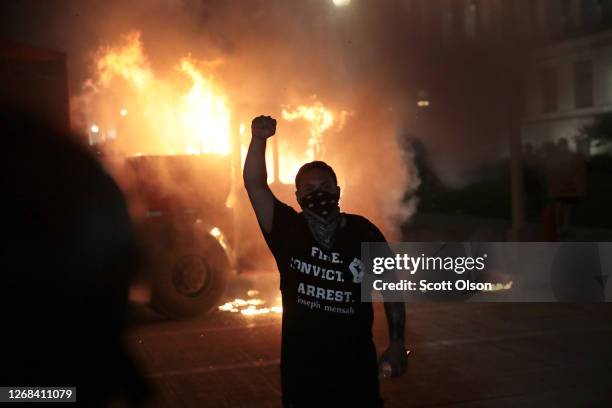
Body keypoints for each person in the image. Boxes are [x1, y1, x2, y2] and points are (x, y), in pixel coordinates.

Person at [243, 115, 408, 407]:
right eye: (308, 189)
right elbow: (255, 185)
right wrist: (258, 140)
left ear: (338, 191)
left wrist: (396, 343)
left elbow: (392, 288)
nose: (317, 193)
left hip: (356, 369)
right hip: (302, 374)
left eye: (324, 186)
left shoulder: (363, 231)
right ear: (297, 197)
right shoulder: (286, 230)